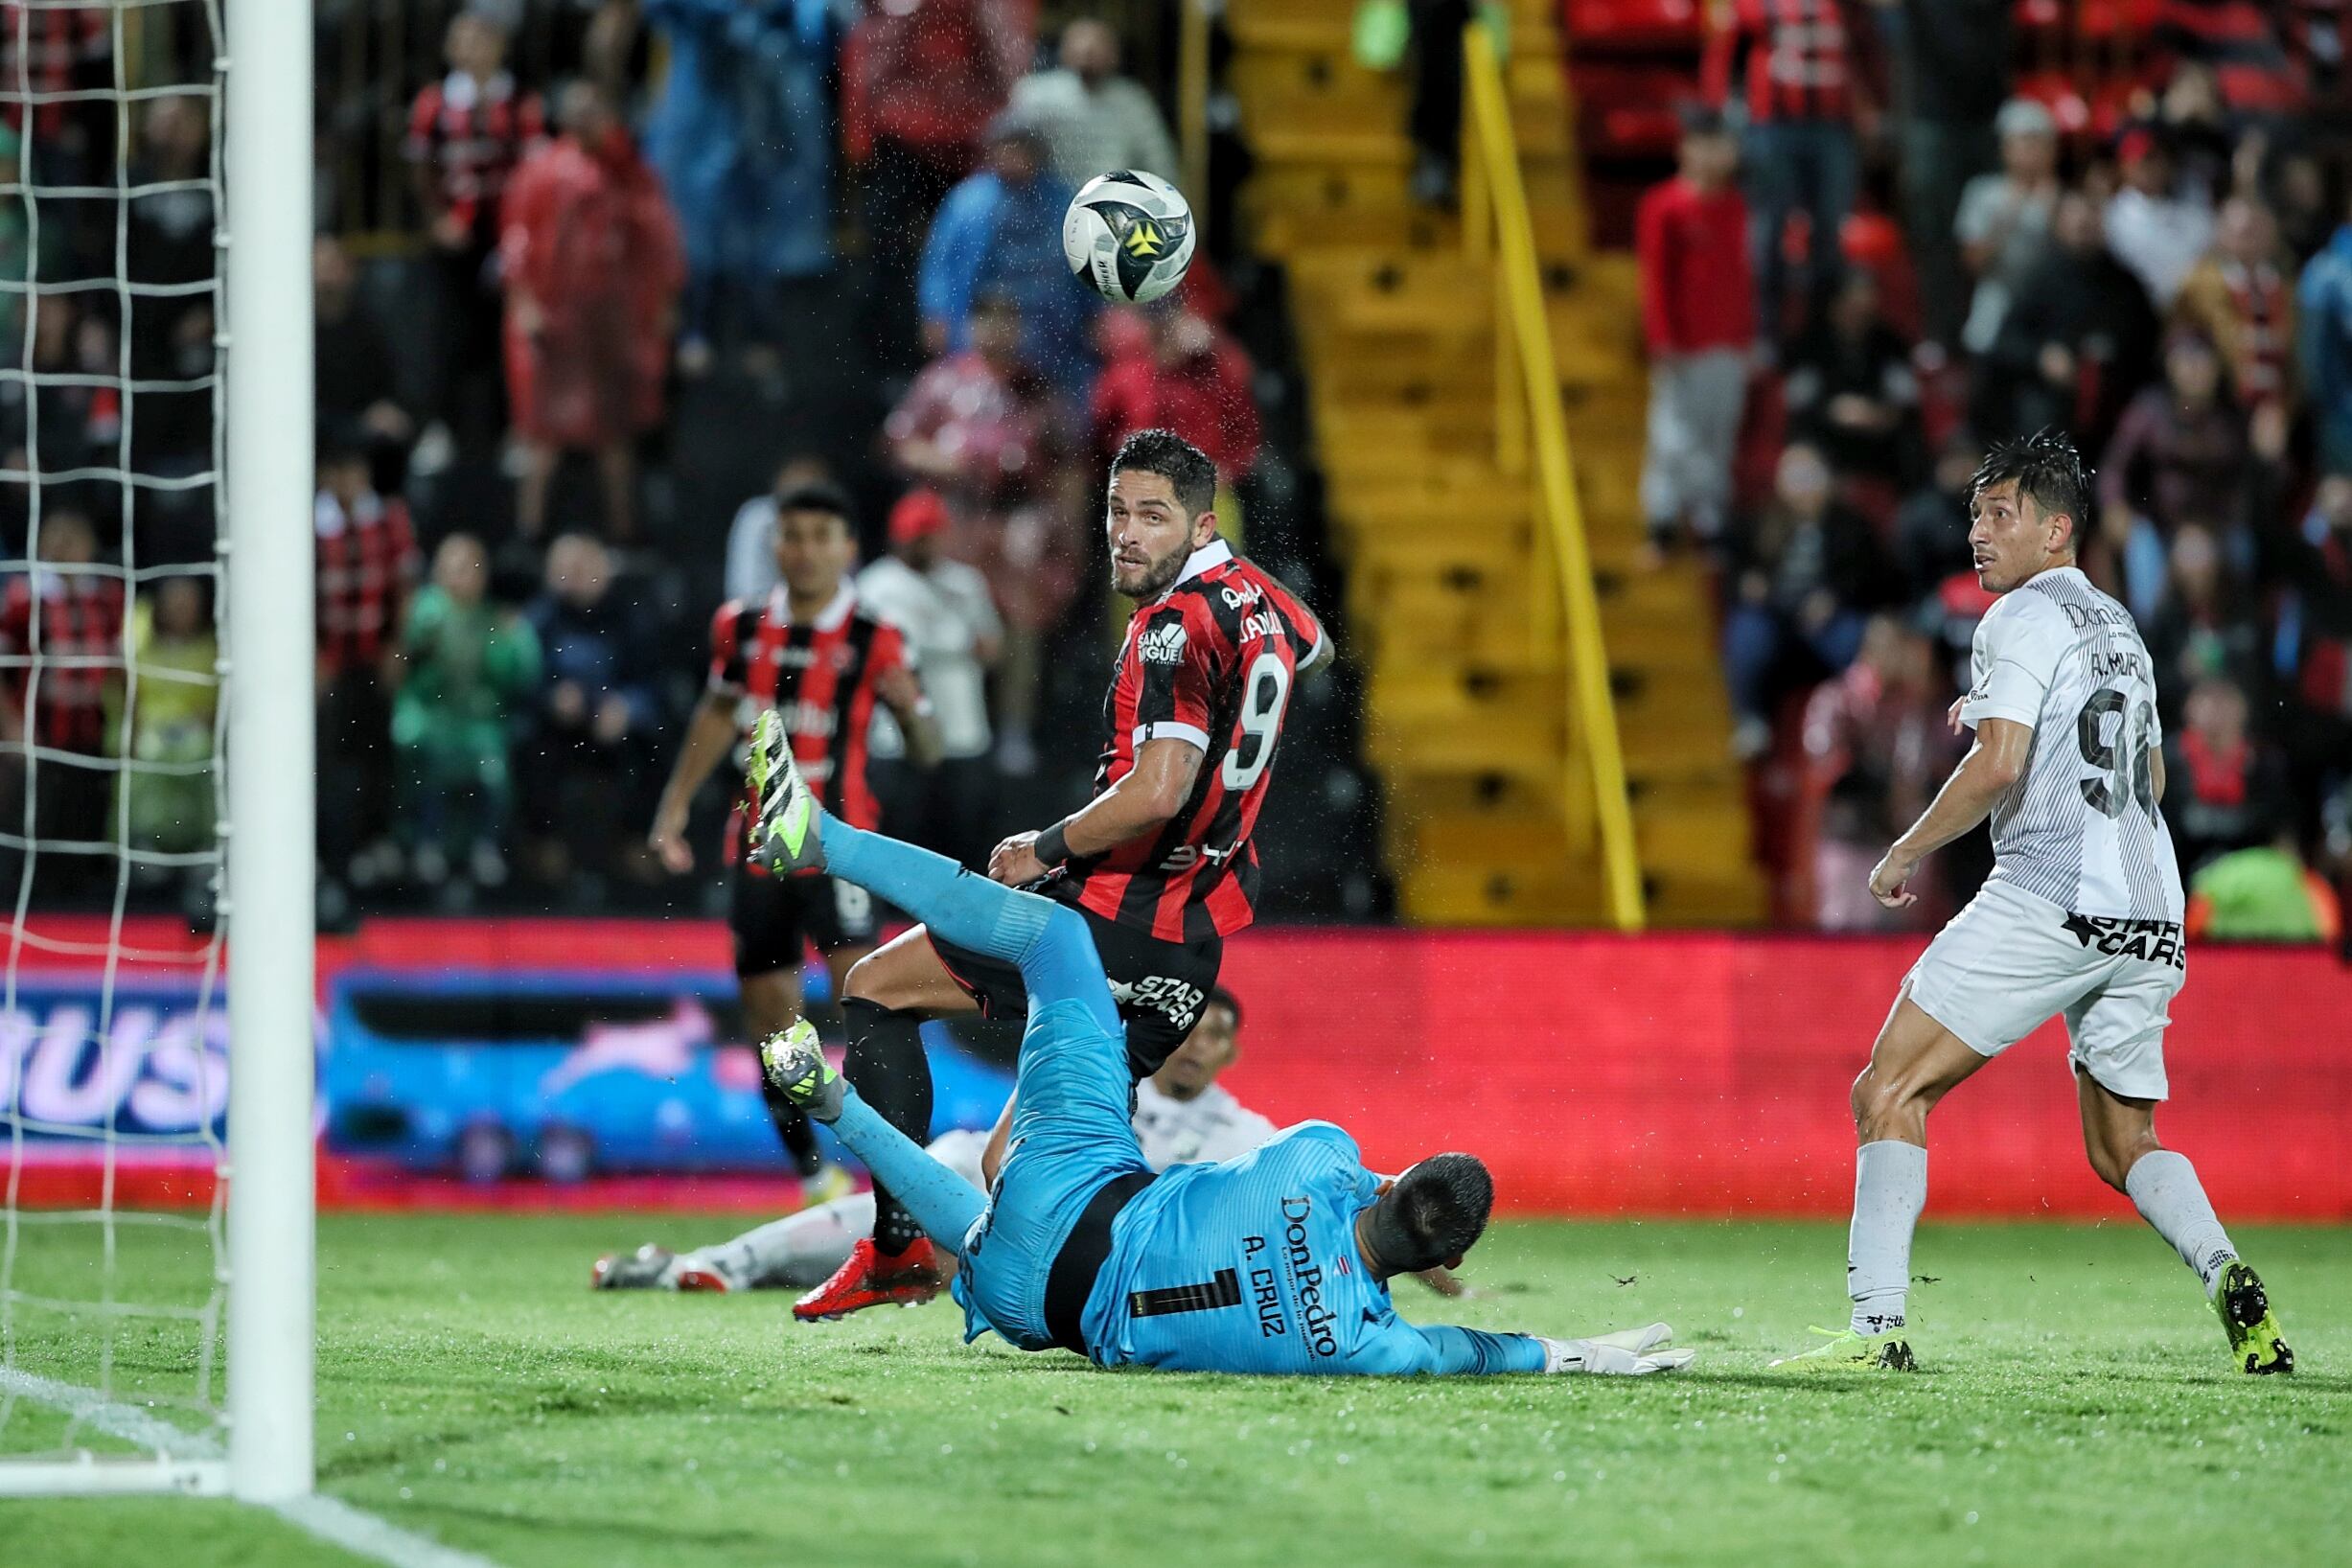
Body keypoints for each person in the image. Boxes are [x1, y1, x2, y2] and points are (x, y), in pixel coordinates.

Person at [746, 719, 1694, 1377]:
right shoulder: (1372, 1344)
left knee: (1056, 943)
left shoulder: (1319, 1157)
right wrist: (1584, 1352)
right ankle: (831, 1103)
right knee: (994, 1232)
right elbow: (1480, 1352)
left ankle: (818, 838)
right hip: (1042, 1313)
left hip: (1078, 1187)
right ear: (1429, 1266)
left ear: (1392, 1186)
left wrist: (1392, 1191)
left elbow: (1351, 1179)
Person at [1768, 429, 2294, 1375]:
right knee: (2124, 1142)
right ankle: (2228, 1275)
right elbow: (2157, 776)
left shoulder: (2016, 619)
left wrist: (1904, 851)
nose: (1978, 531)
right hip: (2151, 906)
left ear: (2058, 529)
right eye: (1974, 512)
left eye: (1999, 513)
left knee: (1887, 1088)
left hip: (2052, 893)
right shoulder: (2121, 627)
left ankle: (1876, 1328)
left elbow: (2001, 763)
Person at [804, 429, 1330, 1324]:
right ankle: (1174, 1297)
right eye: (1118, 512)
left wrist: (1047, 847)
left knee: (875, 989)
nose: (1126, 534)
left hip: (1099, 925)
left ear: (1199, 524)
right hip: (1190, 955)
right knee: (1020, 1170)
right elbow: (1312, 648)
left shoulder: (1171, 626)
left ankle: (896, 1249)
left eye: (1152, 517)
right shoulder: (1265, 606)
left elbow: (1158, 788)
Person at [648, 481, 939, 1194]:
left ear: (848, 549)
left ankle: (898, 1185)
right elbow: (718, 716)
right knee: (773, 1031)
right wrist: (674, 807)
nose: (804, 551)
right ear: (774, 545)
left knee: (868, 1013)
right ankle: (814, 1179)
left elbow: (929, 748)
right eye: (791, 536)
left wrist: (914, 708)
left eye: (819, 537)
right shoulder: (742, 627)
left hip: (840, 851)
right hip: (757, 853)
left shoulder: (875, 636)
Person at [594, 987, 1274, 1292]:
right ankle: (718, 1264)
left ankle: (723, 1263)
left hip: (1079, 1254)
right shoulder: (1103, 1075)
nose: (1197, 1045)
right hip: (994, 1204)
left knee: (934, 1177)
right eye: (1192, 1027)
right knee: (944, 1162)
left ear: (1234, 1053)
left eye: (1216, 1035)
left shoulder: (1243, 1134)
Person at [885, 288, 1079, 772]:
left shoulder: (1037, 388)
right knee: (944, 621)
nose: (997, 330)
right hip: (954, 519)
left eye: (1007, 320)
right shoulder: (943, 382)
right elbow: (899, 443)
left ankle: (1014, 731)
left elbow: (1067, 461)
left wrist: (1064, 529)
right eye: (987, 319)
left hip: (1015, 521)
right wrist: (949, 461)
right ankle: (939, 726)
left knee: (1019, 625)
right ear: (969, 325)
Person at [500, 82, 685, 541]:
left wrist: (662, 302)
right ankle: (530, 532)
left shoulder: (630, 173)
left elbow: (658, 241)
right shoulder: (541, 171)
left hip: (611, 323)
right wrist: (524, 305)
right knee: (541, 436)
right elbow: (517, 244)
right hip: (557, 321)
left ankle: (624, 532)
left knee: (615, 434)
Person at [404, 11, 541, 452]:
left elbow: (533, 173)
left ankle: (514, 431)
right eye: (461, 39)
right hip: (455, 234)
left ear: (500, 46)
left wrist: (519, 234)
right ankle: (441, 428)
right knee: (447, 334)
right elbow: (422, 171)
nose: (470, 48)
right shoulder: (434, 104)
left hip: (508, 235)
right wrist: (438, 221)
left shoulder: (522, 102)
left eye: (480, 39)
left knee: (509, 335)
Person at [857, 488, 1003, 867]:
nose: (920, 544)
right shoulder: (876, 584)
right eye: (913, 535)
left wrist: (964, 647)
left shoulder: (965, 583)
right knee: (899, 838)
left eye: (928, 534)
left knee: (962, 839)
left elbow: (993, 647)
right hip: (897, 734)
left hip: (961, 729)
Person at [1705, 0, 1871, 336]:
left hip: (1833, 126)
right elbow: (1725, 57)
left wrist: (1870, 109)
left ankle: (1820, 329)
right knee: (1769, 228)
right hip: (1773, 126)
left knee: (1830, 228)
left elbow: (1866, 52)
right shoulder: (1754, 4)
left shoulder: (1847, 7)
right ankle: (1767, 329)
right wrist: (1722, 121)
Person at [391, 533, 542, 891]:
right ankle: (425, 842)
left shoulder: (494, 619)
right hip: (432, 716)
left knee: (490, 768)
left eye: (467, 569)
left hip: (478, 723)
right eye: (451, 568)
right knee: (424, 755)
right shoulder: (427, 609)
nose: (459, 577)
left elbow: (518, 674)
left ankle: (484, 845)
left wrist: (513, 640)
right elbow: (409, 658)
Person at [916, 113, 1096, 403]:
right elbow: (940, 262)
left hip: (1052, 329)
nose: (1012, 156)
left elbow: (1086, 262)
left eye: (1020, 147)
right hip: (984, 322)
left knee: (1055, 404)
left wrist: (1095, 312)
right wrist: (935, 312)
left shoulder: (1062, 201)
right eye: (1005, 147)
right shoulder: (968, 201)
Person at [1636, 106, 1754, 553]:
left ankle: (1709, 517)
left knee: (1719, 430)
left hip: (1727, 340)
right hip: (1685, 342)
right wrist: (1661, 337)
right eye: (1707, 145)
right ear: (1686, 148)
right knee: (1673, 433)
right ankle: (1661, 517)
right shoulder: (1665, 206)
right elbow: (1656, 277)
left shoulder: (1735, 206)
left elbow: (1742, 276)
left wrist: (1746, 335)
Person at [521, 533, 662, 888]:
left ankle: (636, 840)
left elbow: (652, 681)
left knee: (656, 747)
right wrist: (551, 697)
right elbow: (519, 681)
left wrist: (626, 707)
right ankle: (544, 844)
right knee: (531, 746)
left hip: (612, 725)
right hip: (557, 726)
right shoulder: (538, 618)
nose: (574, 577)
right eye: (565, 569)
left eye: (583, 567)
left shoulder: (630, 616)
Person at [1952, 98, 2061, 359]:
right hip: (1994, 316)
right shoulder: (1983, 193)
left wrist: (2055, 214)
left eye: (2040, 141)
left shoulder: (2063, 198)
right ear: (2006, 147)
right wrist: (2011, 214)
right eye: (2026, 141)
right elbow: (1972, 263)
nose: (2033, 150)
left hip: (2048, 321)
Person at [1010, 19, 1178, 187]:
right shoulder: (1035, 94)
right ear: (1063, 50)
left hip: (1113, 200)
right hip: (1047, 200)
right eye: (1081, 45)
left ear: (1115, 54)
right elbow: (1008, 152)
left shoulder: (1133, 102)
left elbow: (1160, 165)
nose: (1088, 53)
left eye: (1097, 47)